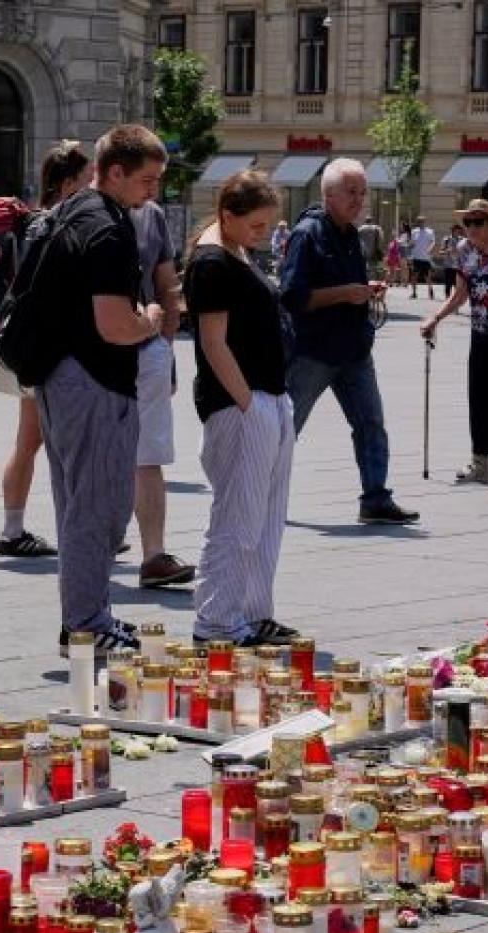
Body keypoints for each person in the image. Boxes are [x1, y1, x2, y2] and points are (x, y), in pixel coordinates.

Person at [35, 124, 170, 655]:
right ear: (115, 172)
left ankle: (87, 619)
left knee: (77, 504)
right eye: (147, 180)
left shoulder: (70, 210)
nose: (154, 191)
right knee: (100, 508)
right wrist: (151, 319)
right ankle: (86, 625)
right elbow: (115, 325)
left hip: (57, 375)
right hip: (94, 378)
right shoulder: (110, 229)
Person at [186, 171, 301, 647]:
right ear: (227, 216)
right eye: (256, 225)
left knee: (265, 516)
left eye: (267, 225)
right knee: (237, 518)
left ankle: (253, 612)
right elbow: (213, 343)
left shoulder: (234, 251)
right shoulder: (212, 261)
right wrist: (248, 404)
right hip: (241, 403)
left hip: (266, 395)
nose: (263, 234)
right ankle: (216, 620)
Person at [282, 158, 419, 525]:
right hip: (314, 351)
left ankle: (376, 499)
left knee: (371, 424)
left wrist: (364, 290)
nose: (359, 200)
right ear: (328, 195)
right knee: (285, 429)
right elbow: (293, 296)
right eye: (351, 192)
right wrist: (346, 293)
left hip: (354, 349)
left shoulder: (349, 234)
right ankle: (261, 497)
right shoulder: (307, 234)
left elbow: (346, 288)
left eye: (363, 192)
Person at [0, 141, 91, 560]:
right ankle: (26, 529)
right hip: (42, 349)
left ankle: (16, 528)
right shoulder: (55, 226)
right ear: (67, 185)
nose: (92, 189)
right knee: (41, 441)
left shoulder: (32, 222)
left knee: (29, 440)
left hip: (20, 342)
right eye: (87, 181)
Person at [420, 199, 488, 486]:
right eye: (467, 222)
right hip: (482, 334)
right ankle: (480, 462)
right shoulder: (464, 250)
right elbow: (460, 294)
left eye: (478, 222)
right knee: (480, 398)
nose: (471, 228)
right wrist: (435, 317)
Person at [129, 196, 196, 589]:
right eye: (147, 178)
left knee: (147, 455)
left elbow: (168, 286)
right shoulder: (83, 207)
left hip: (144, 350)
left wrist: (165, 352)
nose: (152, 188)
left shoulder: (151, 214)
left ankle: (154, 555)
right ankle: (100, 545)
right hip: (91, 358)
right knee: (99, 457)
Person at [409, 217, 437, 299]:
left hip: (426, 257)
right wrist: (410, 245)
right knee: (414, 276)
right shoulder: (414, 231)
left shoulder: (429, 231)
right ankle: (414, 292)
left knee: (427, 276)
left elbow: (433, 242)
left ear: (424, 222)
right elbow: (412, 242)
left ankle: (430, 290)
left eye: (422, 221)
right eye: (419, 221)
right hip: (416, 257)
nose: (420, 223)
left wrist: (430, 249)